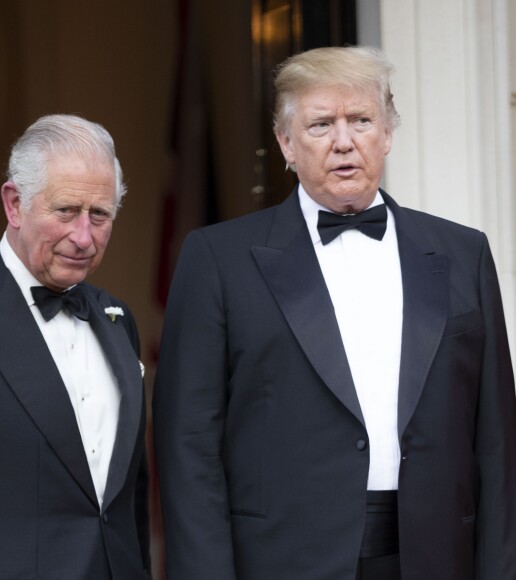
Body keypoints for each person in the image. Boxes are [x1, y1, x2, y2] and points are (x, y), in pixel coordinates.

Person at [153, 46, 516, 580]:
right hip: (282, 562)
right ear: (286, 143)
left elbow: (497, 442)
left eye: (361, 120)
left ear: (388, 134)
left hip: (438, 558)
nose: (344, 141)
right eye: (321, 124)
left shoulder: (464, 253)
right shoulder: (217, 260)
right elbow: (188, 446)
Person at [0, 114, 150, 579]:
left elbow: (128, 499)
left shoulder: (117, 319)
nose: (84, 237)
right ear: (14, 204)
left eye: (100, 215)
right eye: (66, 211)